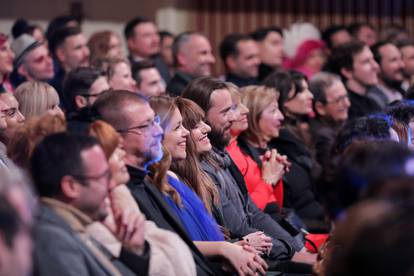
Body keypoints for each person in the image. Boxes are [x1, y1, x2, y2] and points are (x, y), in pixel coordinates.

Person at [182, 77, 317, 271]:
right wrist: (293, 252)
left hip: (267, 247)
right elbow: (240, 225)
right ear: (201, 118)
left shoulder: (222, 155)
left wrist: (296, 249)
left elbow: (254, 212)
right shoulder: (206, 167)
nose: (238, 114)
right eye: (227, 110)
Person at [93, 90, 219, 275]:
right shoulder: (122, 195)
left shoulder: (145, 181)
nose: (159, 132)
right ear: (117, 138)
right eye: (146, 126)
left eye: (156, 122)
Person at [149, 96, 268, 275]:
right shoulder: (152, 184)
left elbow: (250, 212)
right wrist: (226, 248)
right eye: (177, 127)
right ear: (156, 135)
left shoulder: (175, 176)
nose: (187, 132)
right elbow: (177, 245)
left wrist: (232, 247)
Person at [30, 132, 150, 275]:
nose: (111, 185)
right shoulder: (53, 241)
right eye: (105, 176)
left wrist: (133, 252)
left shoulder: (69, 226)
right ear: (71, 186)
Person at [264, 70, 326, 229]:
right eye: (302, 91)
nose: (310, 95)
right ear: (283, 100)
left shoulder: (304, 129)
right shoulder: (281, 138)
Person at [326, 40, 381, 119]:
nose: (376, 66)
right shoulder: (345, 108)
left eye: (373, 59)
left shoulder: (372, 103)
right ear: (347, 71)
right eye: (366, 62)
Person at [309, 72, 351, 165]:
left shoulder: (337, 127)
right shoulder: (323, 138)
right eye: (339, 100)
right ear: (320, 108)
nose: (347, 104)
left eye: (346, 97)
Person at [167, 32, 215, 96]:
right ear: (182, 58)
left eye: (210, 53)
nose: (212, 60)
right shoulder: (179, 93)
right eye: (203, 53)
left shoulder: (197, 88)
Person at [124, 16, 170, 83]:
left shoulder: (162, 62)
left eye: (156, 34)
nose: (155, 40)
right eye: (147, 35)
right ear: (131, 42)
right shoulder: (126, 68)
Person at [48, 26, 90, 93]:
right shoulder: (54, 91)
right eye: (78, 48)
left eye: (86, 45)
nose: (87, 52)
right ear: (61, 54)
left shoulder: (94, 80)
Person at [367, 41, 405, 108]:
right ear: (377, 65)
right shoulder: (373, 99)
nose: (402, 65)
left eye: (400, 59)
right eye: (394, 60)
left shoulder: (402, 92)